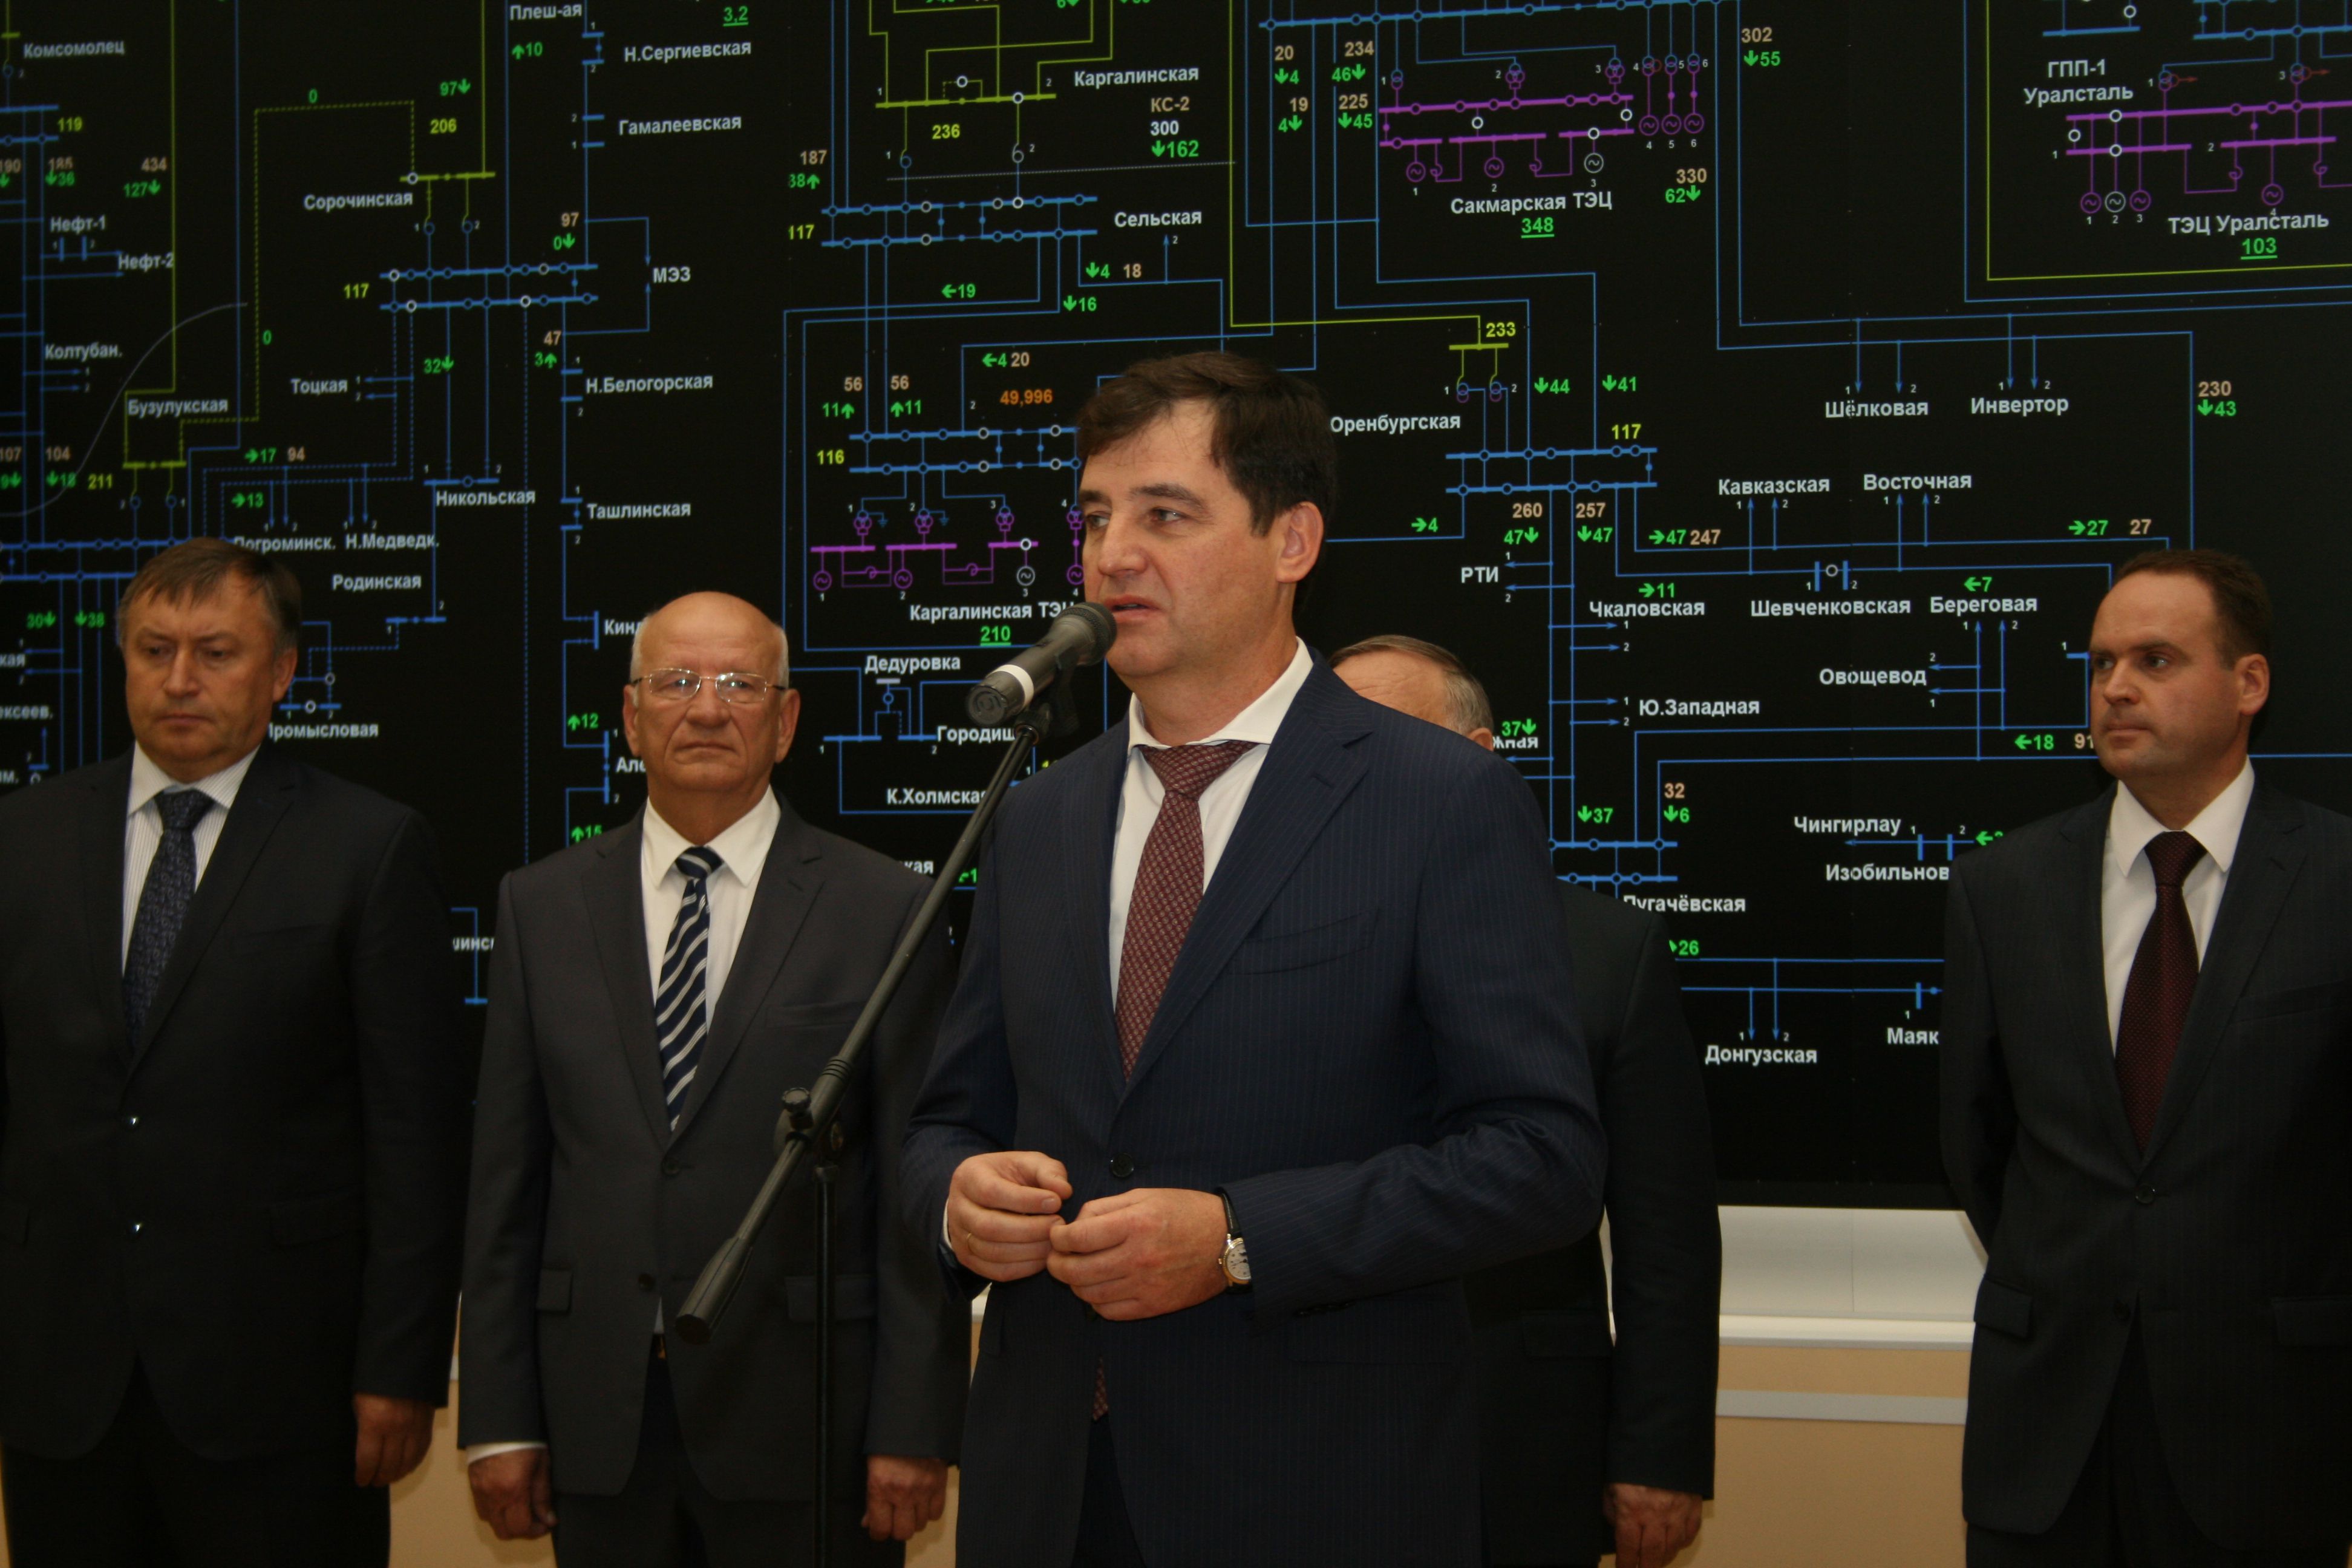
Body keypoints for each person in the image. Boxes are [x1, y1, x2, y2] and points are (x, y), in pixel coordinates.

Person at [903, 352, 1606, 1568]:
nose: (1113, 556)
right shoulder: (1040, 816)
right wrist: (958, 1202)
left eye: (1166, 515)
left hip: (1313, 1490)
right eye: (1095, 517)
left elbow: (1541, 1160)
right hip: (1049, 1494)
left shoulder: (1437, 800)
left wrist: (1240, 1239)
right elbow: (946, 1121)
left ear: (1293, 541)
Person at [461, 592, 968, 1567]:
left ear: (786, 721)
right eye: (675, 683)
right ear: (629, 716)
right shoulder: (540, 906)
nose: (705, 708)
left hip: (809, 1422)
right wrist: (497, 1421)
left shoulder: (885, 908)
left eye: (739, 684)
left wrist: (913, 1424)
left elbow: (913, 1188)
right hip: (597, 1420)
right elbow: (506, 1187)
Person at [0, 538, 470, 1567]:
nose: (180, 679)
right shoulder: (22, 839)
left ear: (282, 671)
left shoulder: (367, 847)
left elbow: (414, 1136)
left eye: (216, 652)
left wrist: (400, 1368)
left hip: (282, 1397)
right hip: (59, 1387)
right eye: (154, 650)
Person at [1942, 550, 2352, 1566]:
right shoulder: (2003, 887)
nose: (2116, 687)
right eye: (2102, 663)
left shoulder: (2338, 880)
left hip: (2267, 1438)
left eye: (2156, 660)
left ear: (2249, 683)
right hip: (2045, 1439)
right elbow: (1976, 1141)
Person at [1333, 635, 1719, 1568]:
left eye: (1381, 741)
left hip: (1519, 1433)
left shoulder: (1606, 951)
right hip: (1307, 1425)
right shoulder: (1262, 943)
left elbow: (1664, 1233)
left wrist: (1659, 1455)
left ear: (1477, 759)